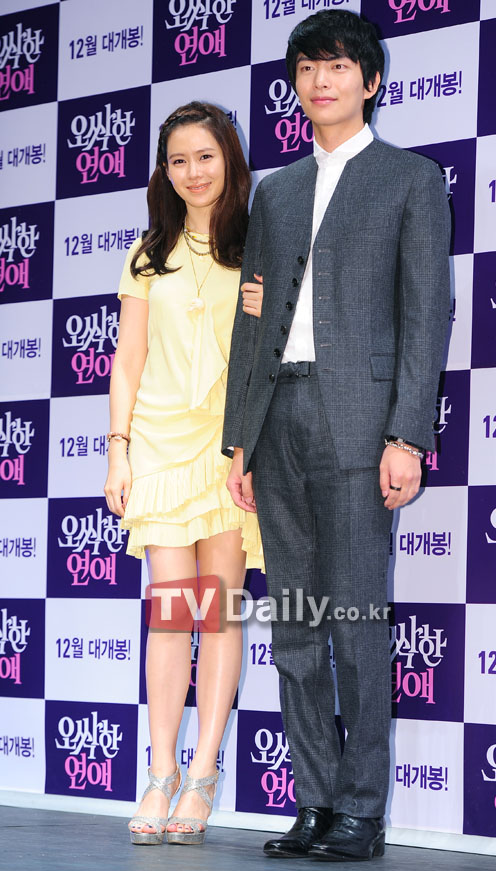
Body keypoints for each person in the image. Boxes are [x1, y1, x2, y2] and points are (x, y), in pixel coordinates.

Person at [223, 10, 451, 863]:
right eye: (308, 68)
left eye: (338, 66)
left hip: (359, 423)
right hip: (277, 420)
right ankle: (314, 802)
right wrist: (240, 439)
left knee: (354, 624)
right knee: (295, 627)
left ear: (371, 81)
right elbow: (252, 322)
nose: (321, 81)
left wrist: (408, 436)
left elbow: (427, 315)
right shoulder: (276, 191)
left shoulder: (410, 179)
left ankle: (361, 810)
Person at [104, 101, 264, 847]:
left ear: (228, 159)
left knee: (219, 610)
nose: (193, 172)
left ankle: (202, 774)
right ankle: (160, 769)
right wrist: (118, 449)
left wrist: (252, 447)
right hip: (161, 445)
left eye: (205, 156)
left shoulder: (261, 242)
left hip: (231, 447)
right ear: (164, 172)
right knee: (171, 610)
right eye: (178, 160)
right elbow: (127, 360)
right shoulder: (148, 254)